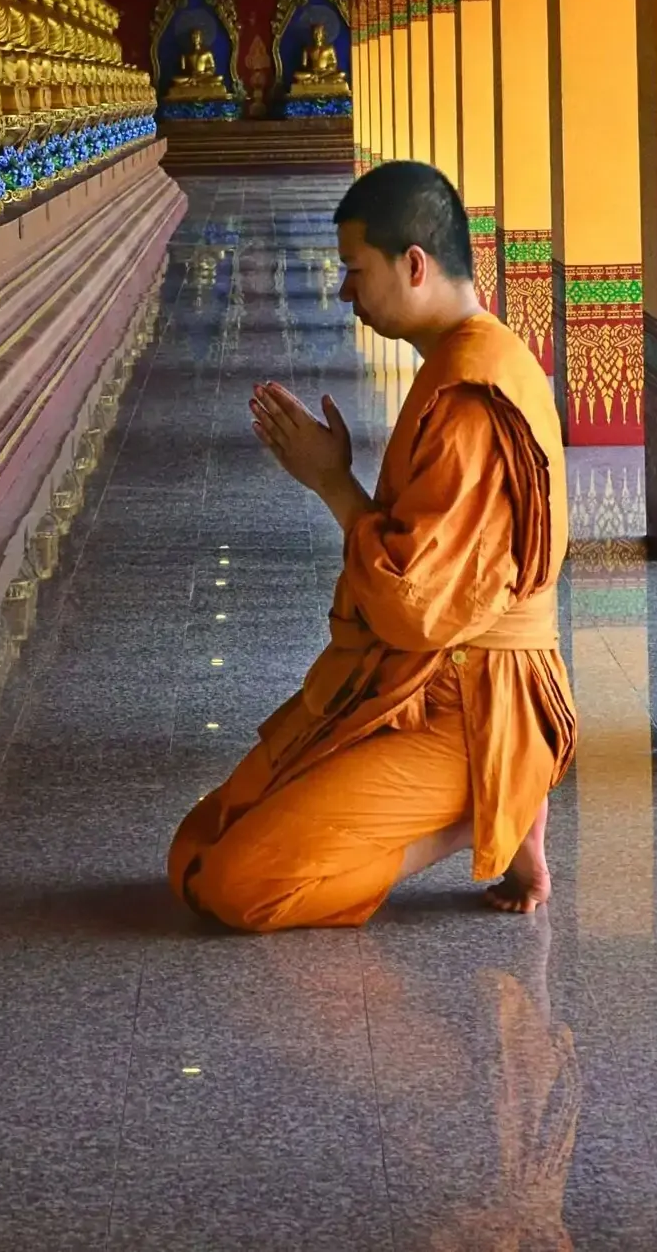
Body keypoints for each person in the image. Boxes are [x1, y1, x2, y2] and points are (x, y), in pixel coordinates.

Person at [169, 160, 578, 931]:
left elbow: (416, 609)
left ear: (413, 265)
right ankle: (501, 807)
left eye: (356, 271)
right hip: (416, 677)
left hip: (467, 704)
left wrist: (332, 485)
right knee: (200, 842)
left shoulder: (470, 399)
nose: (345, 294)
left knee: (236, 886)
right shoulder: (465, 360)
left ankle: (490, 812)